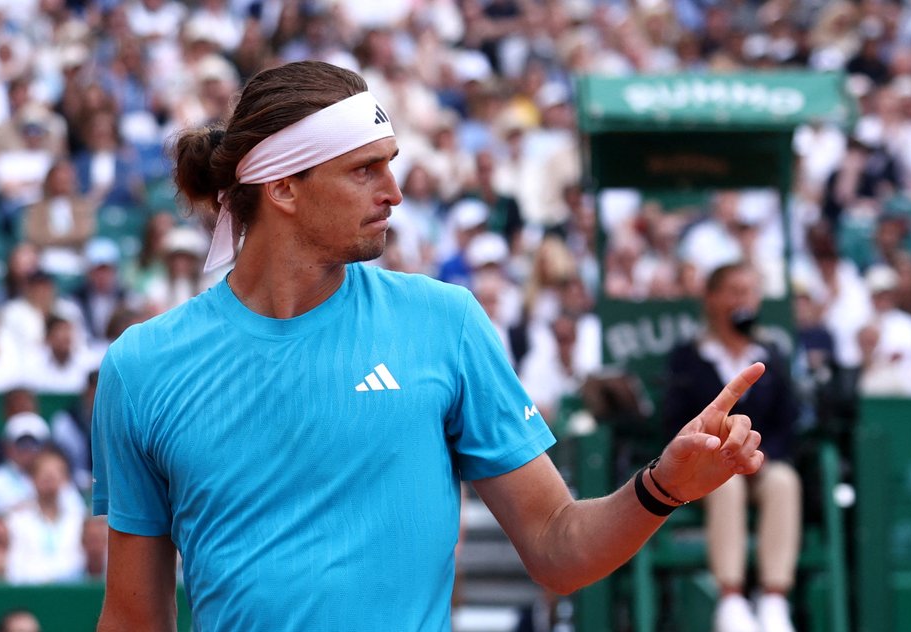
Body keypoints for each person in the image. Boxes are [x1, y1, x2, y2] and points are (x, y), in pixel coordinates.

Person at [92, 61, 766, 632]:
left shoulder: (446, 323)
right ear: (282, 188)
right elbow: (132, 618)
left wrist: (662, 487)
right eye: (364, 171)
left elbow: (558, 547)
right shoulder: (142, 367)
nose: (395, 192)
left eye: (390, 166)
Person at [663, 263, 801, 632]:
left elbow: (789, 421)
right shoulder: (688, 357)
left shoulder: (771, 354)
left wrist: (763, 452)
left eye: (749, 291)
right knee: (727, 484)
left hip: (761, 461)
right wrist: (716, 454)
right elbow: (672, 420)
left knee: (784, 482)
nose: (743, 300)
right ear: (712, 297)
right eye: (734, 291)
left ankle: (774, 599)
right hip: (710, 466)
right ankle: (731, 598)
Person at [5, 449, 86, 584]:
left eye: (56, 473)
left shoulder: (78, 519)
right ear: (32, 478)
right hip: (28, 589)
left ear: (66, 479)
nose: (49, 478)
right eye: (44, 474)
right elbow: (14, 561)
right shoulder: (16, 519)